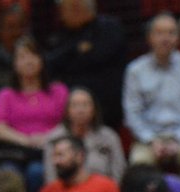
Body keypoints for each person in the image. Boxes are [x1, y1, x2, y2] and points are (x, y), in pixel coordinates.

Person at [122, 14, 180, 191]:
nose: (165, 38)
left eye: (171, 33)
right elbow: (132, 114)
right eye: (159, 33)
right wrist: (152, 140)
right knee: (139, 161)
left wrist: (178, 139)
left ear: (178, 38)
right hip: (148, 138)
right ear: (149, 37)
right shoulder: (135, 70)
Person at [0, 36, 68, 192]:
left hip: (50, 149)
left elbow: (67, 122)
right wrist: (27, 140)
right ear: (15, 64)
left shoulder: (58, 90)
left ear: (41, 60)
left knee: (36, 172)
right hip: (15, 152)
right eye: (22, 57)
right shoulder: (6, 94)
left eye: (33, 55)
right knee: (8, 174)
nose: (28, 61)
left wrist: (46, 138)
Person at [44, 0, 127, 129]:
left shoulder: (108, 27)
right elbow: (50, 64)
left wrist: (69, 61)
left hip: (107, 109)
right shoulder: (59, 34)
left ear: (77, 7)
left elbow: (97, 58)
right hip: (68, 112)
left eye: (65, 9)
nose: (62, 14)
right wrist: (76, 50)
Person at [40, 88, 126, 185]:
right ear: (67, 110)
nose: (80, 110)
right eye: (75, 105)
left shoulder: (109, 137)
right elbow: (51, 177)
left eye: (85, 105)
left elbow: (119, 171)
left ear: (94, 109)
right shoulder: (54, 138)